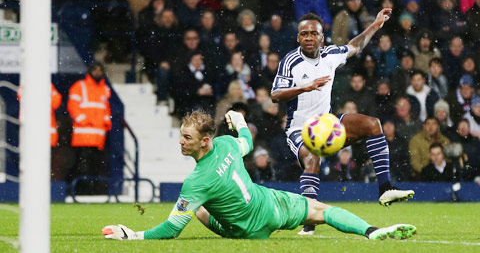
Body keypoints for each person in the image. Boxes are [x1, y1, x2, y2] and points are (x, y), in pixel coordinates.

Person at [102, 110, 417, 241]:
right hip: (269, 202)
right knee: (322, 210)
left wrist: (135, 235)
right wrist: (239, 120)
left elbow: (171, 230)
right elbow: (247, 141)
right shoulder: (226, 144)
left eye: (187, 138)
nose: (181, 142)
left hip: (250, 229)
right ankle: (371, 231)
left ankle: (231, 231)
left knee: (197, 207)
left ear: (204, 141)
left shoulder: (195, 182)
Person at [270, 10, 414, 235]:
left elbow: (356, 45)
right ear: (298, 38)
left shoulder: (331, 54)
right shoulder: (291, 61)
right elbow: (275, 94)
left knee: (373, 124)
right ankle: (308, 220)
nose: (308, 37)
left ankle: (385, 188)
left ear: (321, 37)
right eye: (304, 34)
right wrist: (303, 88)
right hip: (299, 128)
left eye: (313, 33)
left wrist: (375, 25)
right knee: (311, 157)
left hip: (327, 123)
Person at [67, 62, 112, 195]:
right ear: (90, 71)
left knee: (96, 166)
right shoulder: (80, 86)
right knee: (83, 166)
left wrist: (106, 122)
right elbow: (73, 106)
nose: (98, 73)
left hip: (98, 137)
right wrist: (84, 121)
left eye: (100, 70)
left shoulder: (104, 89)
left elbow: (105, 109)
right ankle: (81, 191)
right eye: (95, 70)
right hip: (84, 136)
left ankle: (92, 191)